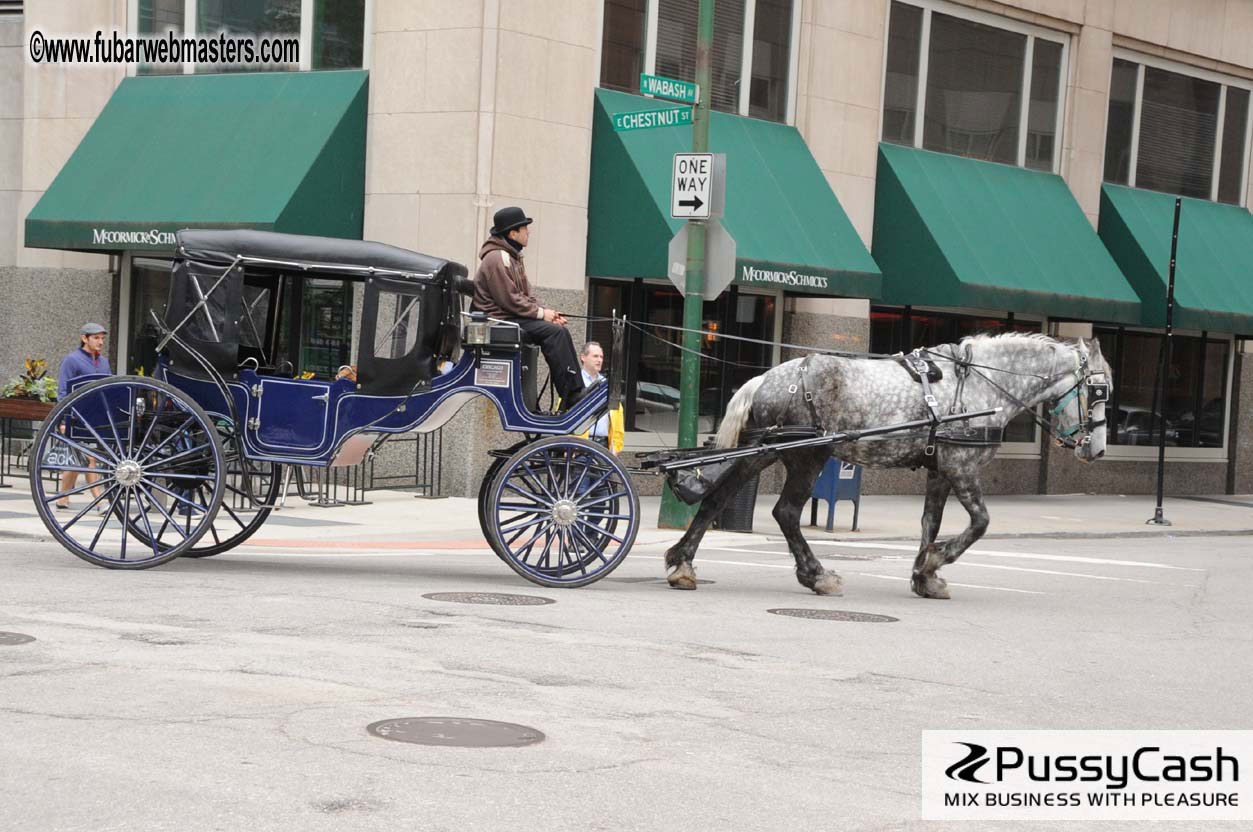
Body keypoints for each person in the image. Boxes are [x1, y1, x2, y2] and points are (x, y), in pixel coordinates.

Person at [472, 206, 594, 410]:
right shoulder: (497, 258)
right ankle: (572, 394)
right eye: (525, 228)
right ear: (512, 233)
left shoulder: (512, 257)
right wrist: (541, 314)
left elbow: (527, 295)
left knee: (558, 330)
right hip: (500, 321)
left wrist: (549, 315)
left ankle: (573, 390)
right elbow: (510, 300)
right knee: (556, 334)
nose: (529, 232)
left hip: (511, 317)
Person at [55, 323, 113, 512]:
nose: (100, 342)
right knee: (90, 458)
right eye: (96, 338)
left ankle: (62, 498)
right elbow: (63, 391)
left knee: (78, 459)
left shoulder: (104, 362)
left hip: (96, 418)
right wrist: (63, 420)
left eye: (102, 338)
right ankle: (99, 501)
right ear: (84, 338)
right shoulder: (71, 360)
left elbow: (109, 389)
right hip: (76, 417)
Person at [579, 341, 610, 444]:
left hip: (604, 444)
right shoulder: (575, 382)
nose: (599, 360)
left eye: (601, 357)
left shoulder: (606, 383)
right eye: (595, 356)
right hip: (581, 443)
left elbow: (616, 415)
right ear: (583, 357)